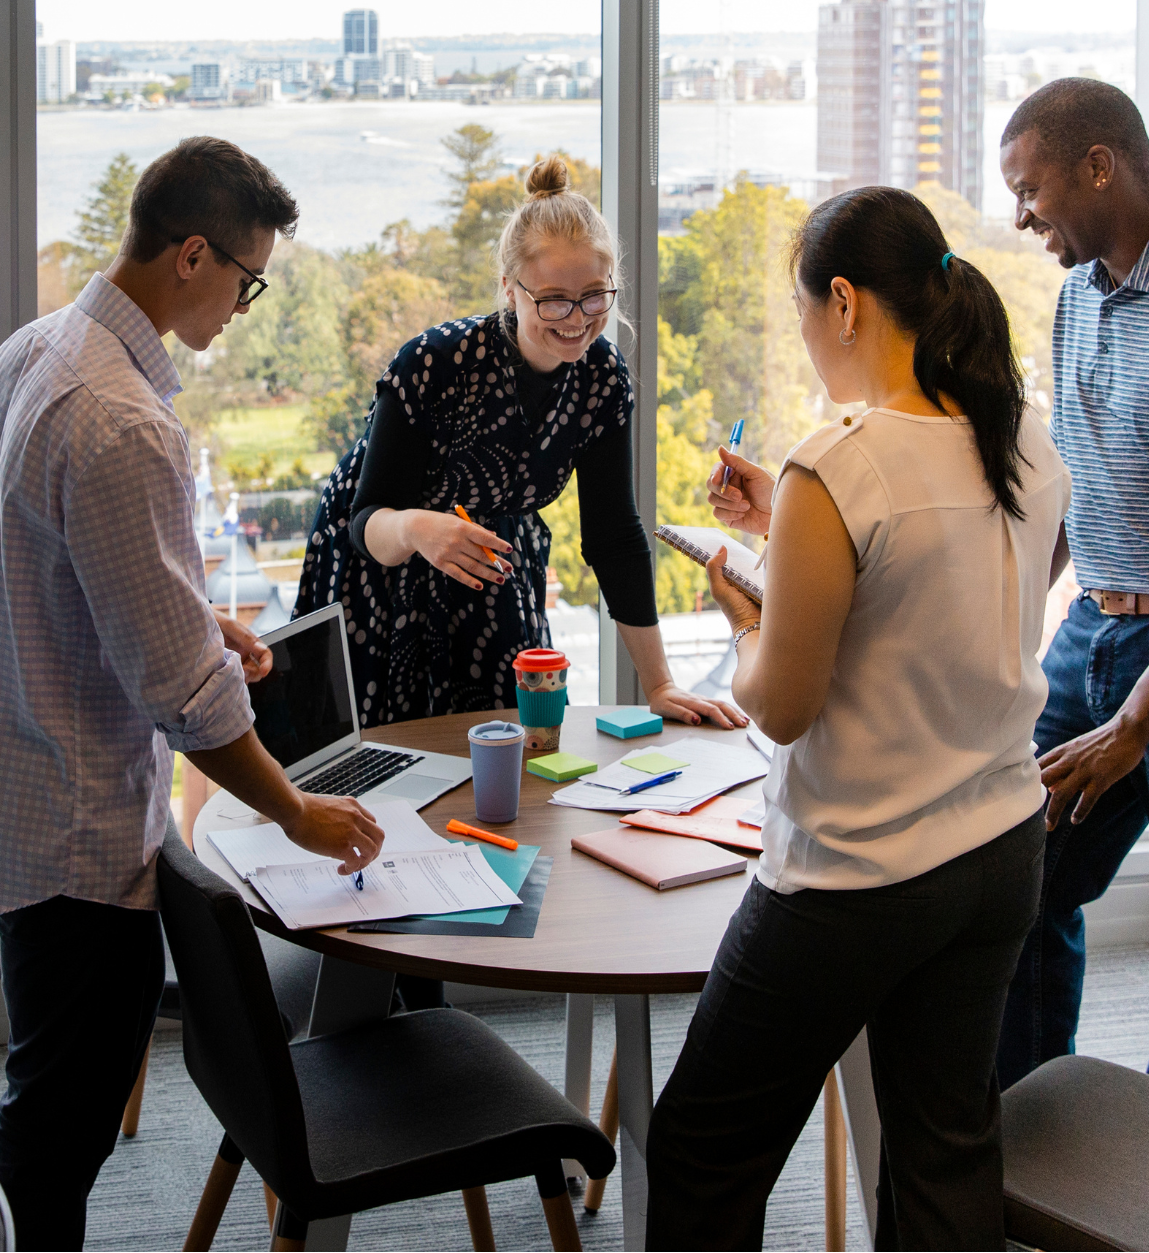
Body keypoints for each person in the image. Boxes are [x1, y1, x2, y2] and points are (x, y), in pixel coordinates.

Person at [643, 187, 1071, 1251]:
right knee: (944, 1144)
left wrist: (750, 620)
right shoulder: (1025, 435)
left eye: (801, 309)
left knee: (702, 1146)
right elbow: (974, 590)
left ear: (842, 302)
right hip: (999, 845)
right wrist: (789, 536)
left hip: (856, 875)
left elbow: (780, 705)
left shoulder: (840, 465)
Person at [0, 137, 384, 1251]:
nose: (244, 305)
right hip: (81, 829)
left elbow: (51, 564)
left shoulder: (37, 350)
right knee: (60, 1128)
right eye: (247, 279)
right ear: (192, 256)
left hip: (27, 777)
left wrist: (187, 616)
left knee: (46, 1090)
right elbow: (187, 702)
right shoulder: (122, 419)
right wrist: (293, 809)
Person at [296, 155, 745, 736]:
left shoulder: (602, 379)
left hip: (494, 566)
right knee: (385, 762)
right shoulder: (434, 362)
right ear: (510, 289)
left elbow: (614, 536)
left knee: (513, 745)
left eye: (594, 297)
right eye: (554, 299)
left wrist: (658, 684)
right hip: (382, 571)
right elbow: (365, 517)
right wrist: (416, 529)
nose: (577, 319)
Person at [996, 79, 1149, 1090]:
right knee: (1019, 876)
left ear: (1098, 165)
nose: (1021, 217)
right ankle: (1024, 1143)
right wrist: (995, 620)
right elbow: (1067, 477)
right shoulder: (1073, 294)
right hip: (1091, 622)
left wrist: (1135, 726)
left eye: (1029, 189)